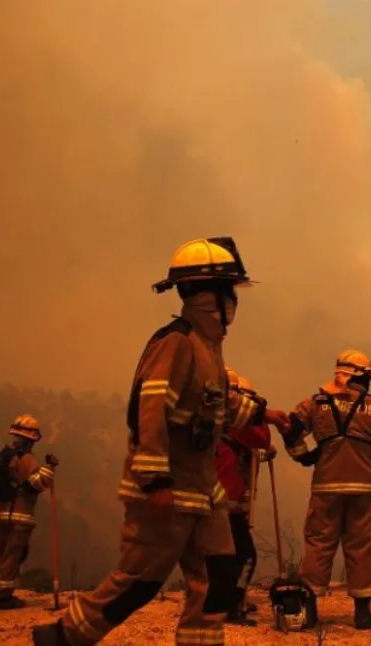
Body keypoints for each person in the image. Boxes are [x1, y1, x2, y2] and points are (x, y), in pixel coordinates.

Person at [32, 237, 288, 646]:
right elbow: (148, 410)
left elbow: (216, 406)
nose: (234, 305)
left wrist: (266, 414)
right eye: (229, 294)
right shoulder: (175, 343)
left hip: (205, 492)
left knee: (219, 577)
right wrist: (154, 481)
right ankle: (64, 637)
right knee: (139, 582)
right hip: (168, 492)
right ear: (210, 297)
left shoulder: (209, 350)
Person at [282, 349, 371, 630]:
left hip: (326, 486)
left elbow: (289, 427)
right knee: (362, 545)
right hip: (365, 488)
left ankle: (308, 611)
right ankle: (363, 612)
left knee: (319, 544)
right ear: (363, 376)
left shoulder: (316, 403)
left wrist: (303, 455)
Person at [216, 368, 279, 626]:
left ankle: (214, 601)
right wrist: (257, 412)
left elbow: (244, 452)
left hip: (204, 500)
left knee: (211, 556)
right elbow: (261, 438)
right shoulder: (236, 420)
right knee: (245, 555)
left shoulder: (204, 418)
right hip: (227, 502)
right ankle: (232, 606)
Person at [0, 414, 58, 610]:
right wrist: (50, 468)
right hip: (19, 517)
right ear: (32, 438)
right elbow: (37, 483)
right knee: (13, 555)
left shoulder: (4, 456)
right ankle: (4, 597)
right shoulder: (26, 459)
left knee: (0, 554)